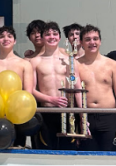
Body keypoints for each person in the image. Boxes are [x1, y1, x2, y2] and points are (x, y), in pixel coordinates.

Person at [0, 26, 37, 147]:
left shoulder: (25, 64)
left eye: (9, 36)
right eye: (1, 36)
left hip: (19, 116)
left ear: (15, 41)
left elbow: (28, 93)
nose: (5, 39)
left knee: (17, 153)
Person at [77, 25, 116, 151]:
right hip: (87, 116)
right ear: (81, 42)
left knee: (111, 158)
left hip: (109, 116)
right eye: (88, 39)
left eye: (95, 39)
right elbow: (76, 94)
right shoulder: (76, 64)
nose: (92, 42)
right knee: (87, 159)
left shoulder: (112, 65)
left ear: (100, 41)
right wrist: (82, 119)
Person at [28, 22, 76, 150]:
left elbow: (77, 87)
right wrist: (51, 99)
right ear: (42, 38)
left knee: (69, 154)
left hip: (68, 112)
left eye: (55, 34)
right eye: (47, 34)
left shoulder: (69, 59)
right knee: (46, 153)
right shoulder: (35, 61)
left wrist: (82, 115)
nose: (51, 37)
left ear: (59, 38)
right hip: (47, 113)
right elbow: (30, 90)